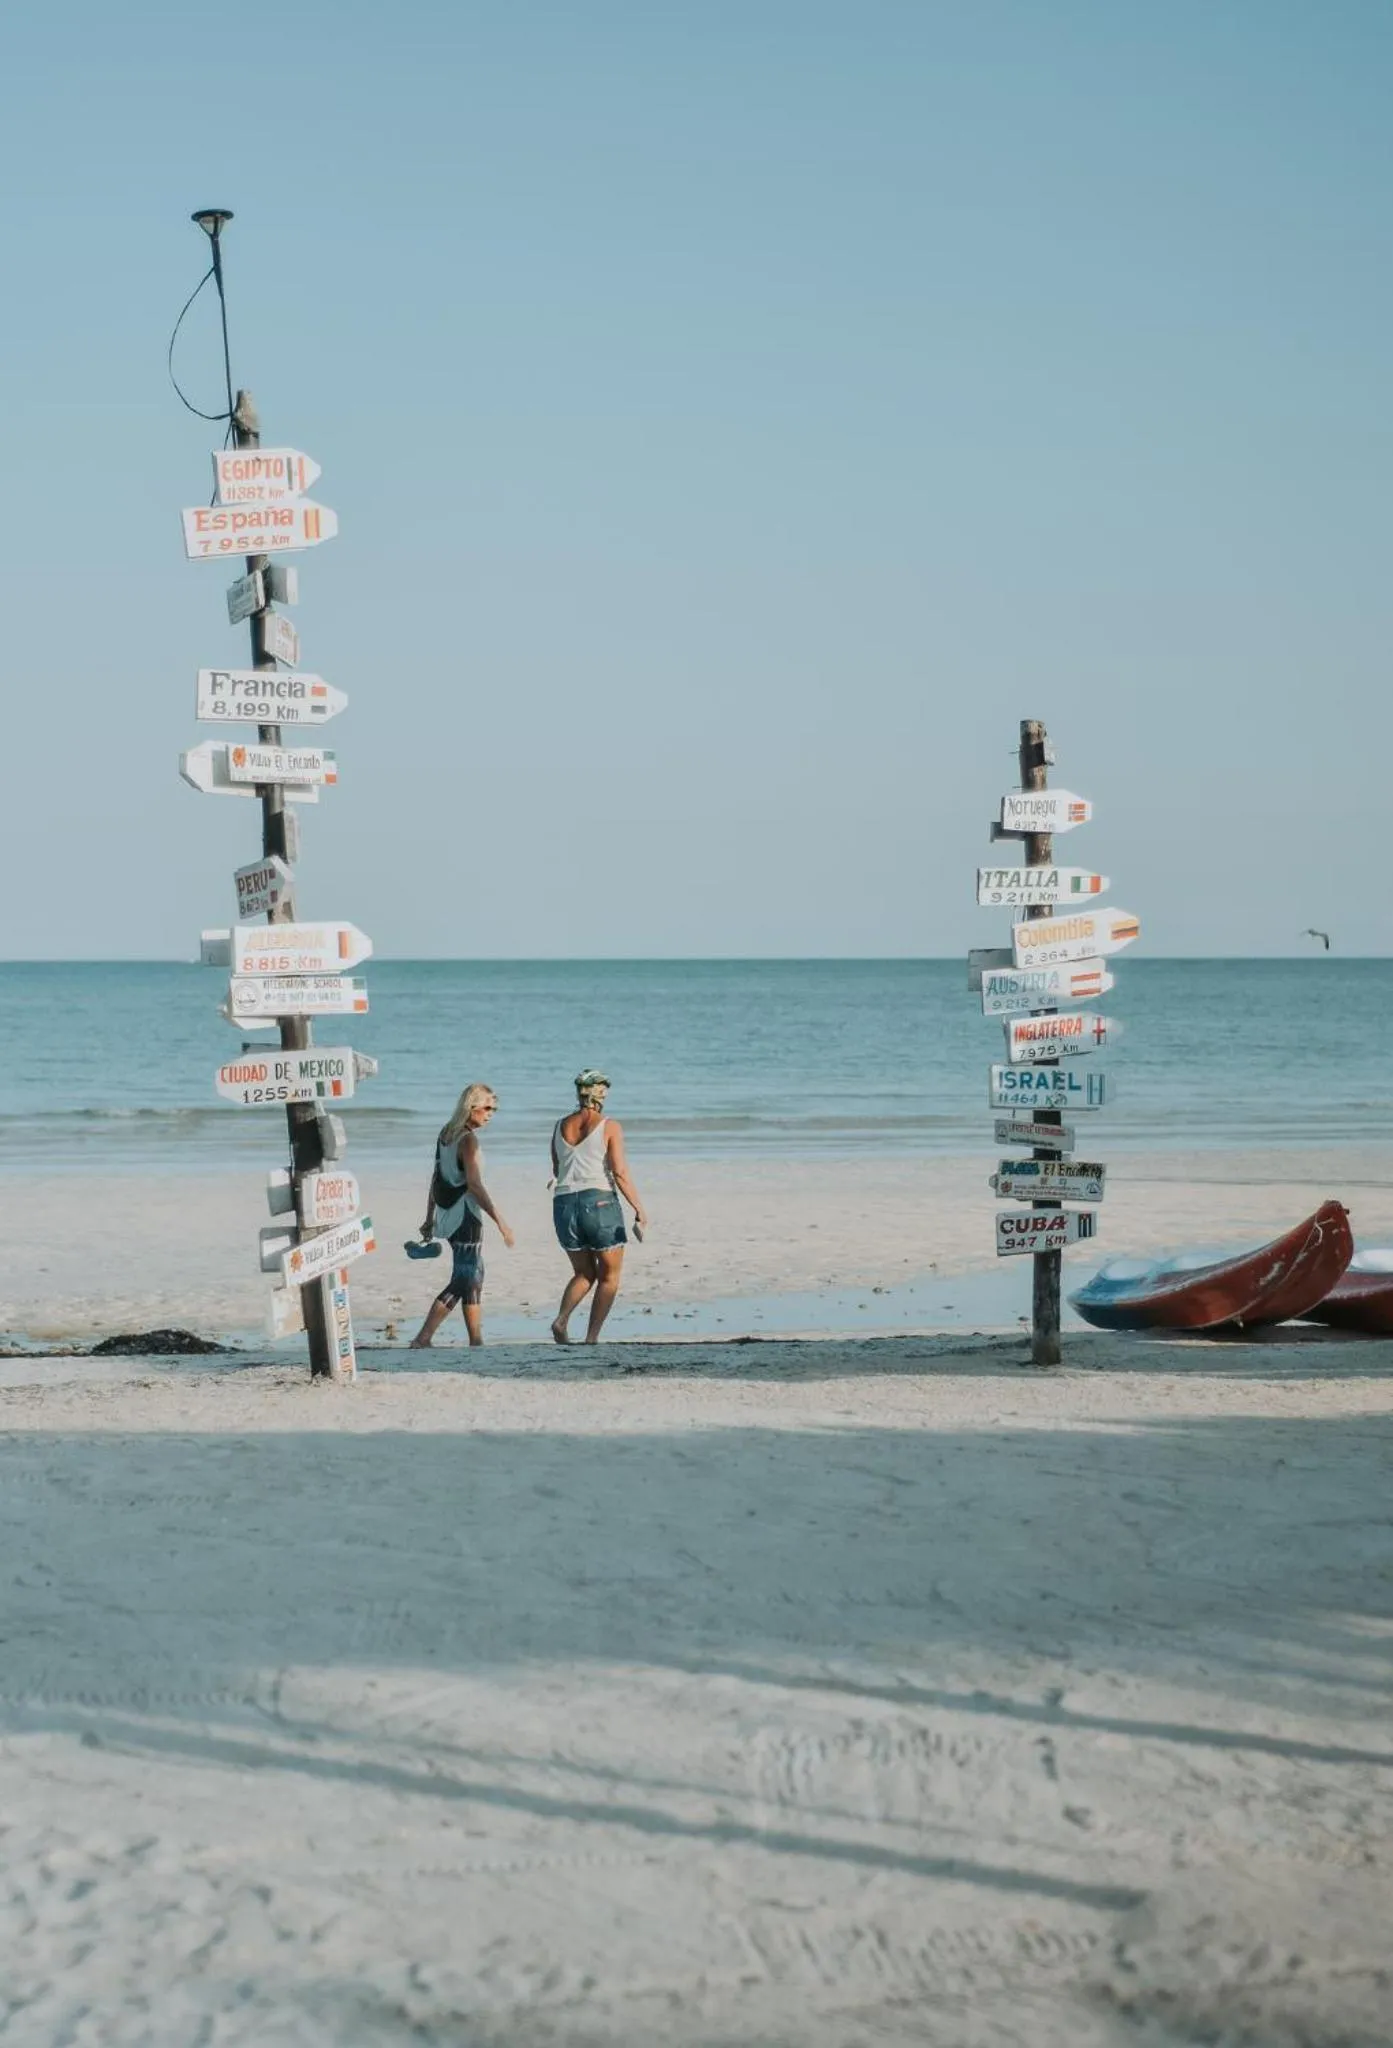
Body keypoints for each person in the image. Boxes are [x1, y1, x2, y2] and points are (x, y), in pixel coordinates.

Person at [409, 1083, 515, 1348]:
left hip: (448, 1214)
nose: (491, 1114)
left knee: (474, 1274)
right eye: (487, 1108)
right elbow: (475, 1185)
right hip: (467, 1217)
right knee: (464, 1278)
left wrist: (429, 1216)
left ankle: (476, 1340)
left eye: (495, 1109)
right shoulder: (468, 1140)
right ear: (472, 1107)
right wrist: (501, 1221)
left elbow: (437, 1177)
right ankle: (423, 1337)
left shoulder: (446, 1134)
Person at [550, 1068, 648, 1345]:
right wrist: (639, 1208)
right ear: (601, 1093)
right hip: (600, 1201)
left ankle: (561, 1319)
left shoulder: (559, 1125)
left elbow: (557, 1168)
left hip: (564, 1203)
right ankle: (591, 1337)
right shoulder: (610, 1126)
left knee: (583, 1273)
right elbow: (619, 1172)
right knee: (609, 1276)